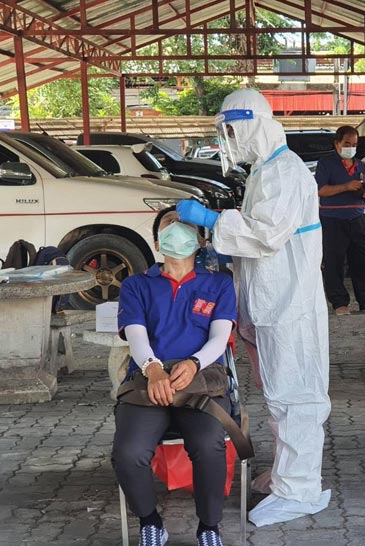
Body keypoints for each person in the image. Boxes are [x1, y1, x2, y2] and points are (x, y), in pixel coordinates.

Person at [176, 88, 332, 526]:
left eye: (230, 131)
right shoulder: (266, 171)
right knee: (279, 394)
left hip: (290, 306)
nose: (228, 141)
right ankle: (287, 474)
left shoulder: (285, 171)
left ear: (252, 125)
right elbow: (259, 237)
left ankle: (299, 489)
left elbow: (266, 234)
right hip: (272, 303)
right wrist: (223, 252)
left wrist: (212, 221)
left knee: (296, 395)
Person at [112, 206, 237, 546]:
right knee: (128, 452)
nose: (177, 228)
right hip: (148, 380)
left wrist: (194, 363)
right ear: (157, 242)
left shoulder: (219, 284)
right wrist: (153, 369)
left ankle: (209, 527)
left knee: (208, 445)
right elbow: (136, 335)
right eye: (169, 224)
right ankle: (151, 523)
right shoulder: (136, 285)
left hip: (201, 381)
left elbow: (220, 338)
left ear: (200, 240)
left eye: (185, 224)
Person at [315, 125, 365, 315]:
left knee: (364, 260)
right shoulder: (326, 163)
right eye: (347, 144)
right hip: (332, 219)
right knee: (334, 262)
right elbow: (321, 190)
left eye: (354, 144)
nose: (351, 148)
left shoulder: (360, 165)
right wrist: (346, 186)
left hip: (357, 217)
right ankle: (339, 302)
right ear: (337, 143)